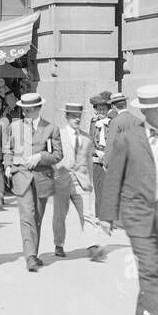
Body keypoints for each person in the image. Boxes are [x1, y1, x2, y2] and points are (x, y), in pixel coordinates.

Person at [99, 83, 158, 315]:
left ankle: (143, 310)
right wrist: (107, 216)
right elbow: (113, 177)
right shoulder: (128, 138)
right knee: (151, 267)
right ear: (146, 112)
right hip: (138, 212)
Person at [8, 92, 62, 271]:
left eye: (27, 109)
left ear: (38, 108)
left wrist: (40, 156)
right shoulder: (15, 126)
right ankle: (30, 256)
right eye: (22, 109)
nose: (24, 112)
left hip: (41, 178)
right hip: (21, 176)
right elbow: (7, 148)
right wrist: (8, 165)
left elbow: (58, 155)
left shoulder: (51, 128)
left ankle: (34, 253)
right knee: (26, 216)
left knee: (37, 217)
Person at [53, 101, 106, 260]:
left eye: (79, 116)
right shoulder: (58, 134)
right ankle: (59, 244)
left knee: (88, 215)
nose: (77, 119)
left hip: (81, 182)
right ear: (66, 117)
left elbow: (89, 162)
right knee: (59, 214)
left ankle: (93, 246)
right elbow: (53, 157)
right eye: (73, 116)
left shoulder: (87, 138)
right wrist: (54, 174)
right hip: (62, 180)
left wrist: (88, 181)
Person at [88, 91, 113, 209]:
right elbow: (90, 141)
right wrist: (95, 151)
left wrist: (107, 154)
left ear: (108, 109)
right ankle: (99, 215)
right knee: (98, 186)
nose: (101, 111)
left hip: (111, 159)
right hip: (97, 159)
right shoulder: (93, 122)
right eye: (99, 109)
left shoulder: (113, 121)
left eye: (104, 109)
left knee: (109, 187)